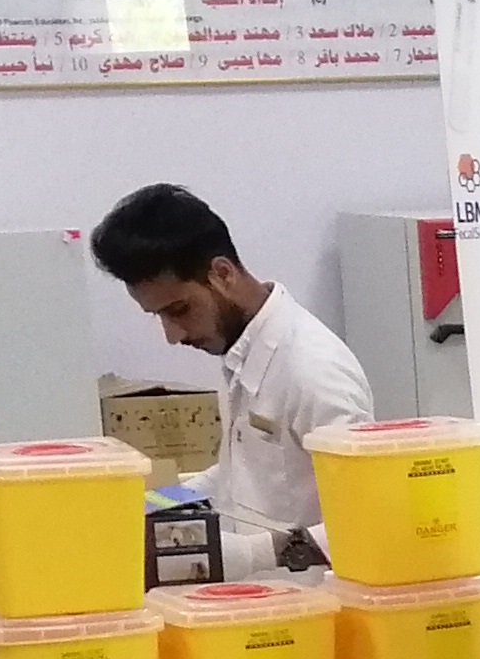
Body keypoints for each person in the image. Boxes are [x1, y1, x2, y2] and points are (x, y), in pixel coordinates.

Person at [88, 184, 372, 569]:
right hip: (260, 596)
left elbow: (368, 517)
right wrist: (152, 504)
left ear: (222, 274)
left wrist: (256, 554)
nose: (173, 335)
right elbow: (241, 474)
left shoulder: (313, 369)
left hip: (312, 597)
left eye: (179, 310)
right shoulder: (243, 350)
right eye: (159, 316)